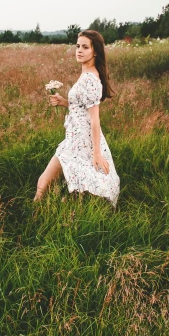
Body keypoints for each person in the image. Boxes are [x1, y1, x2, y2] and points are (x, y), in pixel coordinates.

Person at [34, 29, 120, 207]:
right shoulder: (88, 74)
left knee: (45, 183)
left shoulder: (90, 78)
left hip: (81, 142)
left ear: (95, 51)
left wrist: (96, 152)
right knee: (45, 183)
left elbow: (95, 119)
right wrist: (64, 102)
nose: (79, 50)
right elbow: (81, 107)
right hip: (73, 140)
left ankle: (36, 214)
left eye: (85, 47)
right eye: (77, 46)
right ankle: (36, 213)